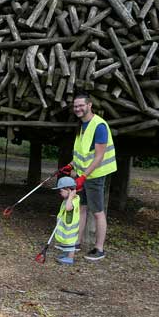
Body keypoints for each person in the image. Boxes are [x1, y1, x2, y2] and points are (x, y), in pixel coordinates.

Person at [62, 93, 116, 261]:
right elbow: (83, 153)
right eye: (75, 106)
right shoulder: (82, 125)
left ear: (89, 105)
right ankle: (77, 242)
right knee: (82, 208)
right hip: (83, 174)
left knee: (98, 211)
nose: (77, 108)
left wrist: (83, 176)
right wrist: (71, 165)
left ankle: (99, 249)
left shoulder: (99, 126)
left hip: (95, 175)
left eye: (81, 105)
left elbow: (98, 157)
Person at [51, 176, 80, 265]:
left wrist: (70, 197)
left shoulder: (73, 200)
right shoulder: (68, 199)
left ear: (68, 190)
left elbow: (68, 208)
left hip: (70, 229)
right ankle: (65, 254)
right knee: (66, 242)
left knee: (70, 243)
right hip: (66, 227)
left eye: (61, 191)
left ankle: (70, 258)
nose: (60, 193)